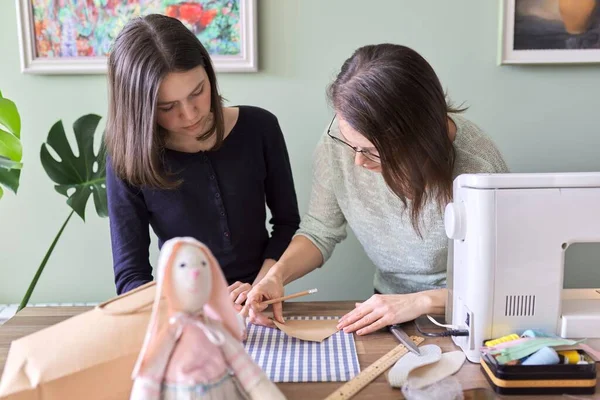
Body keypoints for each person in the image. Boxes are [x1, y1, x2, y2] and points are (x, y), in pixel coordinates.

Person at [244, 43, 509, 335]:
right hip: (387, 310)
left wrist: (419, 302)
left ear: (416, 137)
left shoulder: (479, 167)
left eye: (370, 150)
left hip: (466, 315)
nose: (357, 161)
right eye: (353, 145)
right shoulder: (340, 140)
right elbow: (320, 230)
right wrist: (275, 276)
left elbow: (503, 281)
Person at [104, 14, 300, 305]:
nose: (191, 114)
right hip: (181, 311)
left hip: (261, 302)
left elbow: (286, 223)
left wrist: (263, 285)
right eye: (167, 107)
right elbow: (131, 273)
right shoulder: (128, 158)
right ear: (140, 110)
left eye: (198, 91)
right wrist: (177, 313)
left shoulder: (260, 128)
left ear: (209, 73)